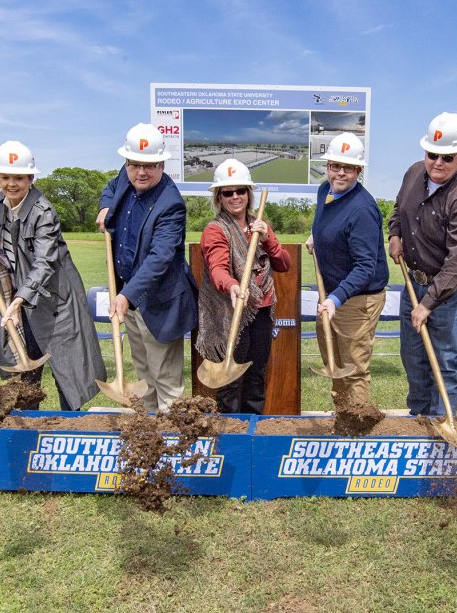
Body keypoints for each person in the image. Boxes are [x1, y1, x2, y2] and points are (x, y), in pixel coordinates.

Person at [0, 141, 105, 410]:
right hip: (20, 295)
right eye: (5, 177)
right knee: (24, 371)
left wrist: (18, 302)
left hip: (56, 301)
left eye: (18, 177)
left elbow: (44, 263)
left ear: (30, 178)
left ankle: (71, 430)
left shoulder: (44, 212)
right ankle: (30, 431)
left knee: (68, 373)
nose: (11, 184)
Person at [95, 123, 198, 411]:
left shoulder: (171, 205)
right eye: (135, 164)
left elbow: (160, 258)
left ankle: (175, 445)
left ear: (162, 164)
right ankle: (149, 437)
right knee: (143, 375)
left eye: (150, 166)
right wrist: (105, 206)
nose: (141, 172)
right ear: (126, 162)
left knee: (165, 379)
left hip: (158, 303)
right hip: (129, 297)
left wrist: (127, 296)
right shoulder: (126, 177)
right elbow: (111, 188)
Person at [388, 112, 457, 416]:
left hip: (448, 293)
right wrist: (394, 233)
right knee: (413, 359)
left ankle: (440, 430)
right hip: (413, 282)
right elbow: (398, 207)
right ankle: (417, 422)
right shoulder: (414, 172)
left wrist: (427, 304)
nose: (437, 163)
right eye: (432, 155)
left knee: (443, 362)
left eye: (447, 157)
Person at [196, 159, 291, 414]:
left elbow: (284, 264)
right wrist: (232, 286)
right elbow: (217, 268)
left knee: (256, 374)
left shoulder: (260, 225)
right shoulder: (215, 230)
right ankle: (230, 435)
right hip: (232, 312)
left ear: (249, 194)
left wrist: (268, 238)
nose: (235, 197)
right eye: (228, 192)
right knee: (231, 380)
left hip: (261, 312)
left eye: (241, 191)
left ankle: (252, 430)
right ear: (219, 197)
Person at [309, 132, 389, 408]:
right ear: (327, 166)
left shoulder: (362, 210)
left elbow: (366, 266)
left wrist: (335, 298)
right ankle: (342, 418)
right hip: (334, 294)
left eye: (348, 168)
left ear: (359, 170)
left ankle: (356, 430)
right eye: (335, 166)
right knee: (335, 363)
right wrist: (315, 237)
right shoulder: (324, 191)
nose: (340, 173)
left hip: (357, 299)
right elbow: (326, 223)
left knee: (353, 368)